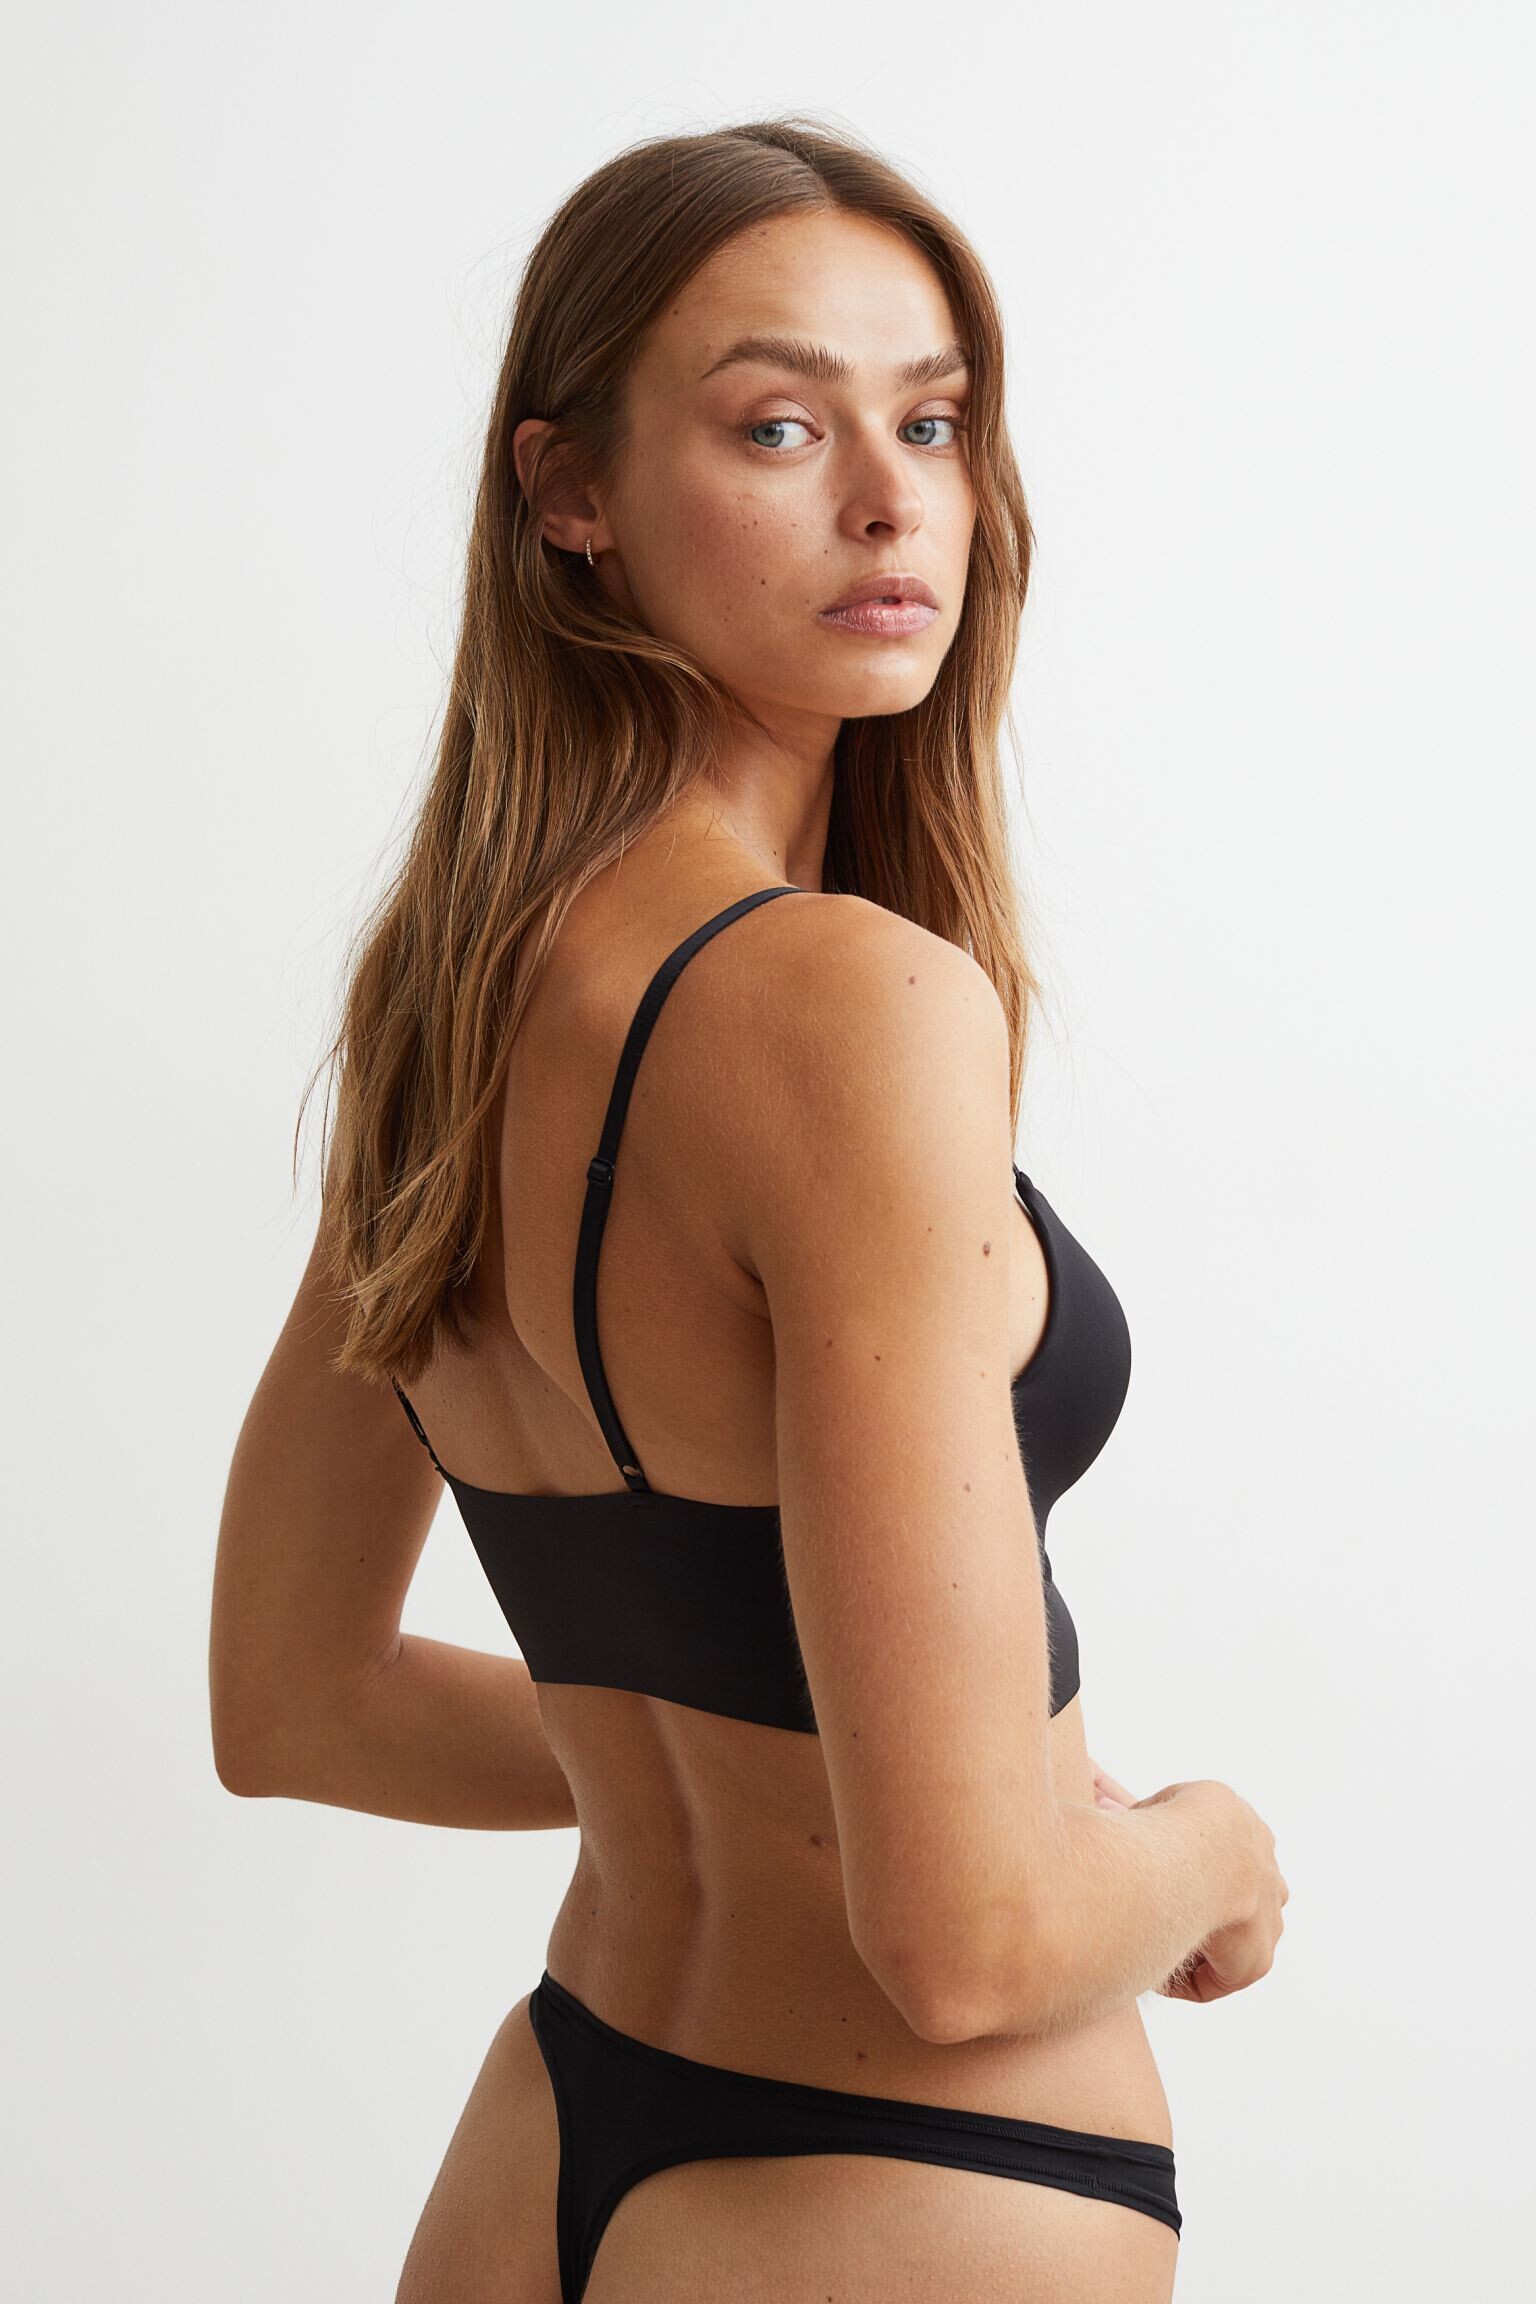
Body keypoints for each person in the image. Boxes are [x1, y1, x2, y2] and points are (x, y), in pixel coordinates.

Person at [210, 117, 1286, 2304]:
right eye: (780, 427)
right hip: (923, 2179)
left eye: (934, 422)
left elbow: (295, 1703)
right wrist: (1209, 1850)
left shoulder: (449, 991)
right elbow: (970, 1936)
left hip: (561, 2119)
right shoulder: (852, 1009)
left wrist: (742, 1766)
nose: (893, 501)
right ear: (569, 495)